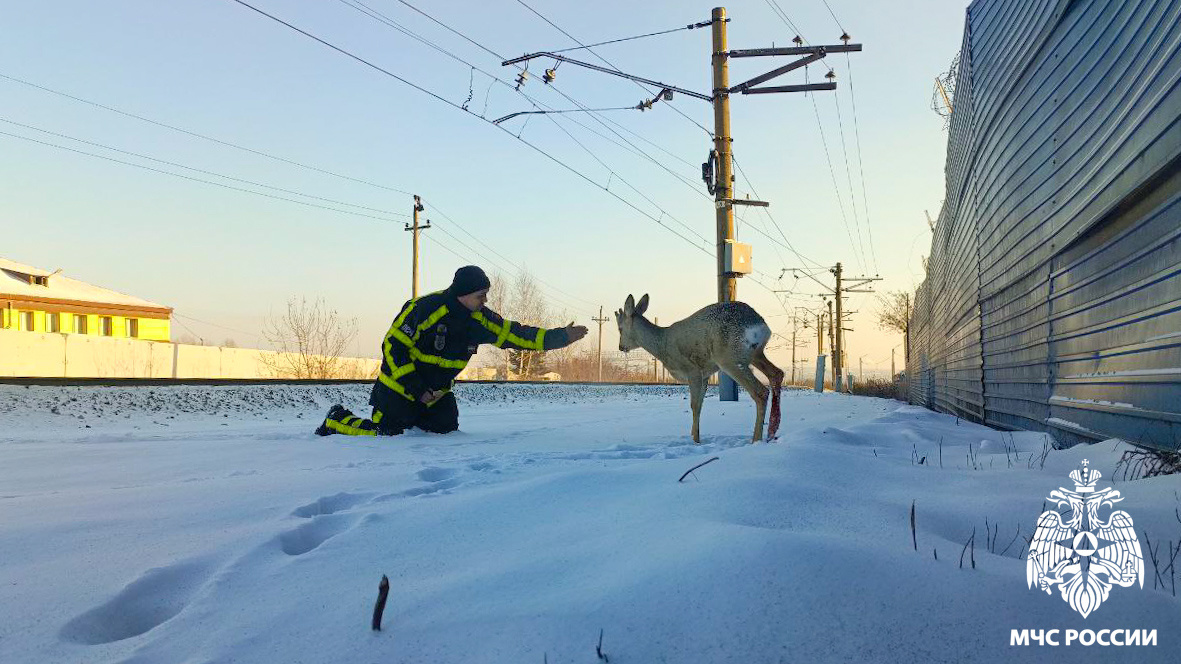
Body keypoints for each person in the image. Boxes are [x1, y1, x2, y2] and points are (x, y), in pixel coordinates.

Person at [315, 265, 588, 437]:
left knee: (445, 429)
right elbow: (393, 347)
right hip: (399, 390)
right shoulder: (424, 309)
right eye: (481, 295)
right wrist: (415, 387)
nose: (485, 301)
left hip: (435, 396)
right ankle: (338, 419)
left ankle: (421, 418)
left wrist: (561, 337)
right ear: (463, 294)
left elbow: (518, 335)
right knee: (387, 435)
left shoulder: (480, 320)